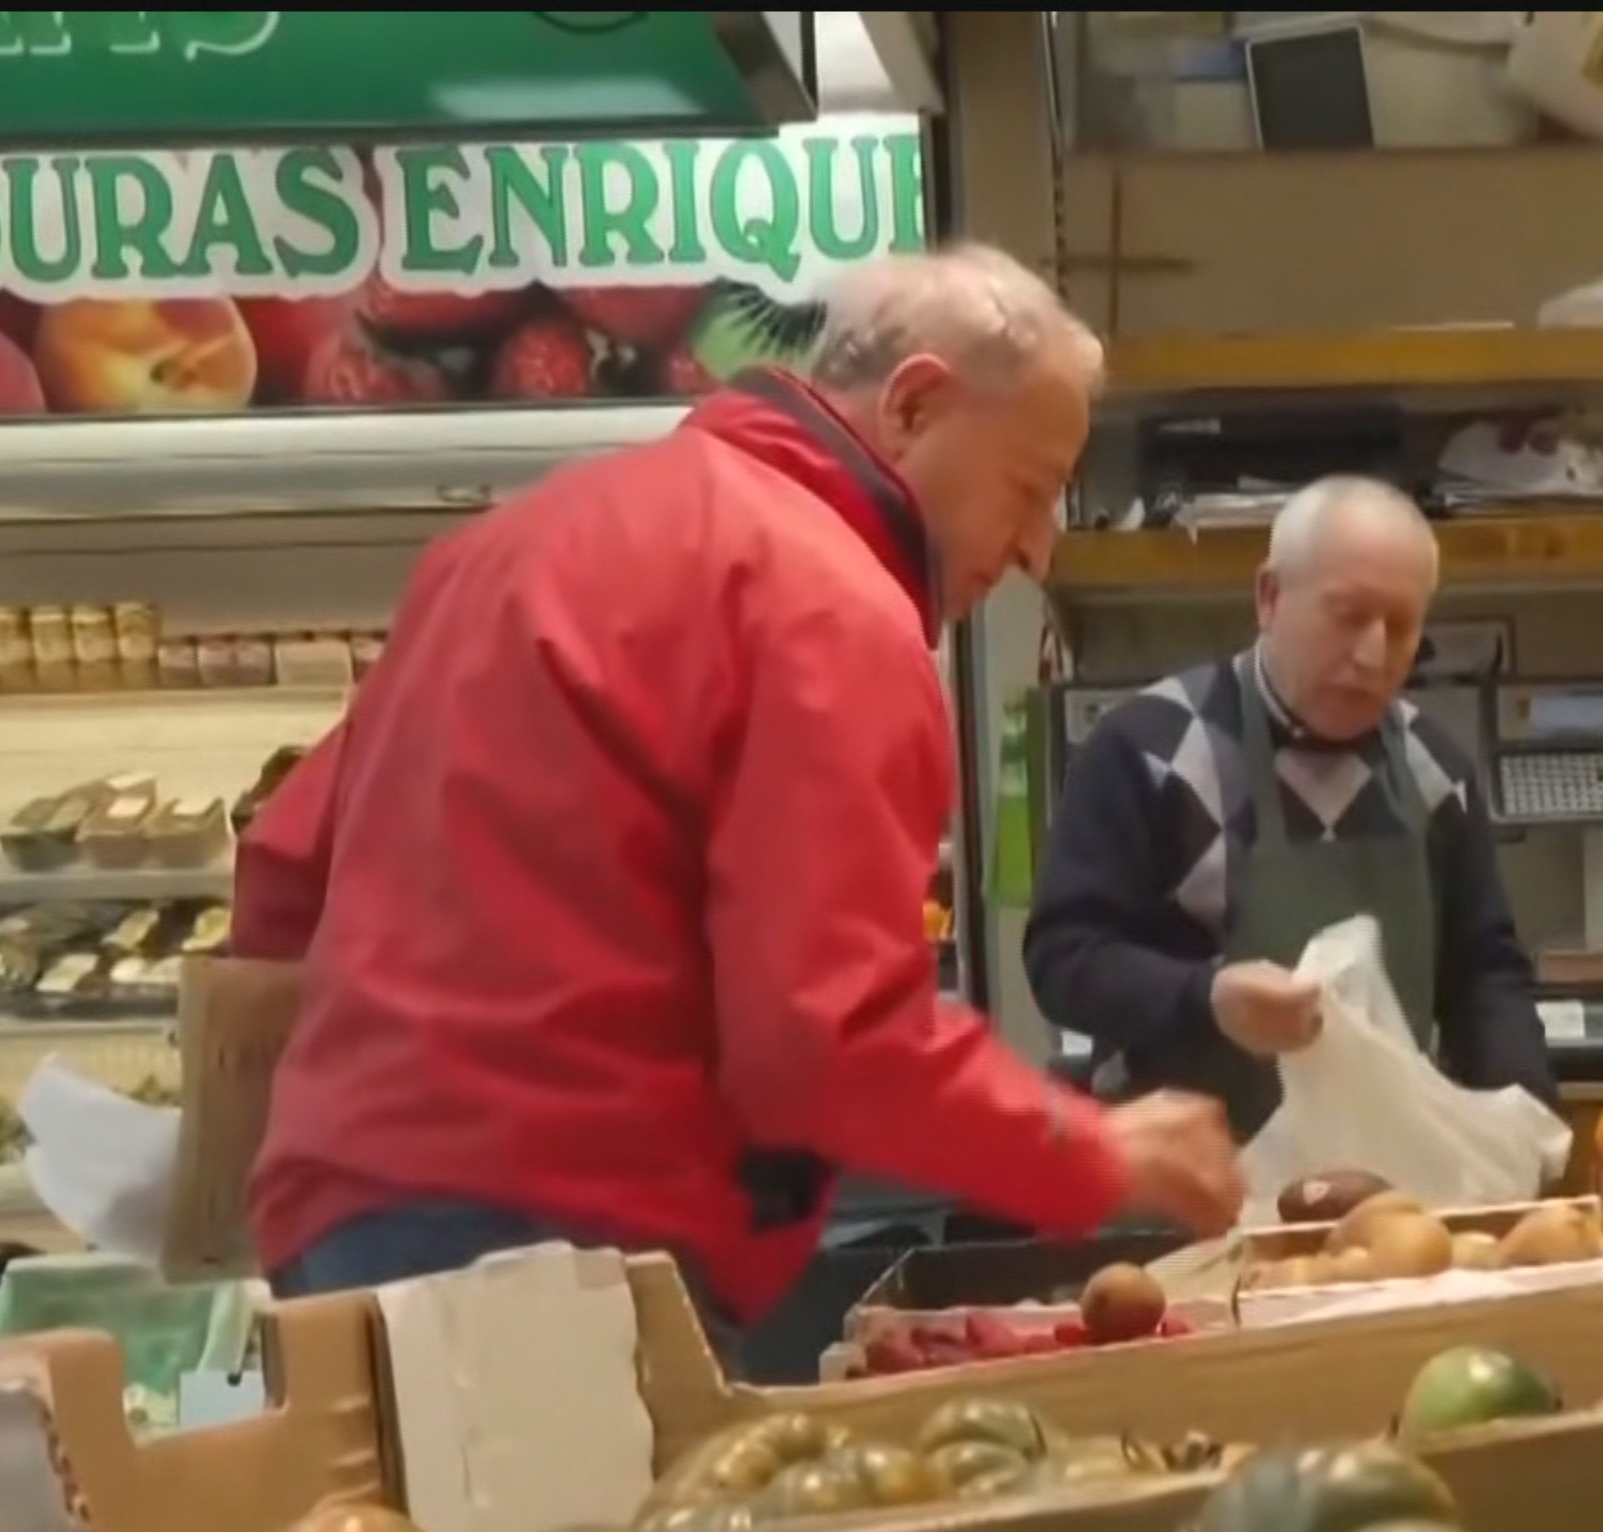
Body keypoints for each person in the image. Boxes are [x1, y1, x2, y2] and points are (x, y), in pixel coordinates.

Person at [228, 243, 1244, 1333]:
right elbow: (827, 1047)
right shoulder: (825, 604)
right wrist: (1092, 1150)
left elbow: (282, 872)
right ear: (914, 406)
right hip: (558, 1245)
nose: (1039, 549)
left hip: (339, 1224)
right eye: (1031, 491)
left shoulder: (504, 547)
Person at [1023, 475, 1556, 1145]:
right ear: (1269, 597)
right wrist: (1206, 998)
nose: (1374, 655)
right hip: (1186, 1178)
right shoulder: (1151, 752)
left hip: (1383, 1180)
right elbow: (1065, 957)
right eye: (1348, 616)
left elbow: (1482, 974)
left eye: (1401, 627)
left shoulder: (1435, 771)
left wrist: (1526, 1121)